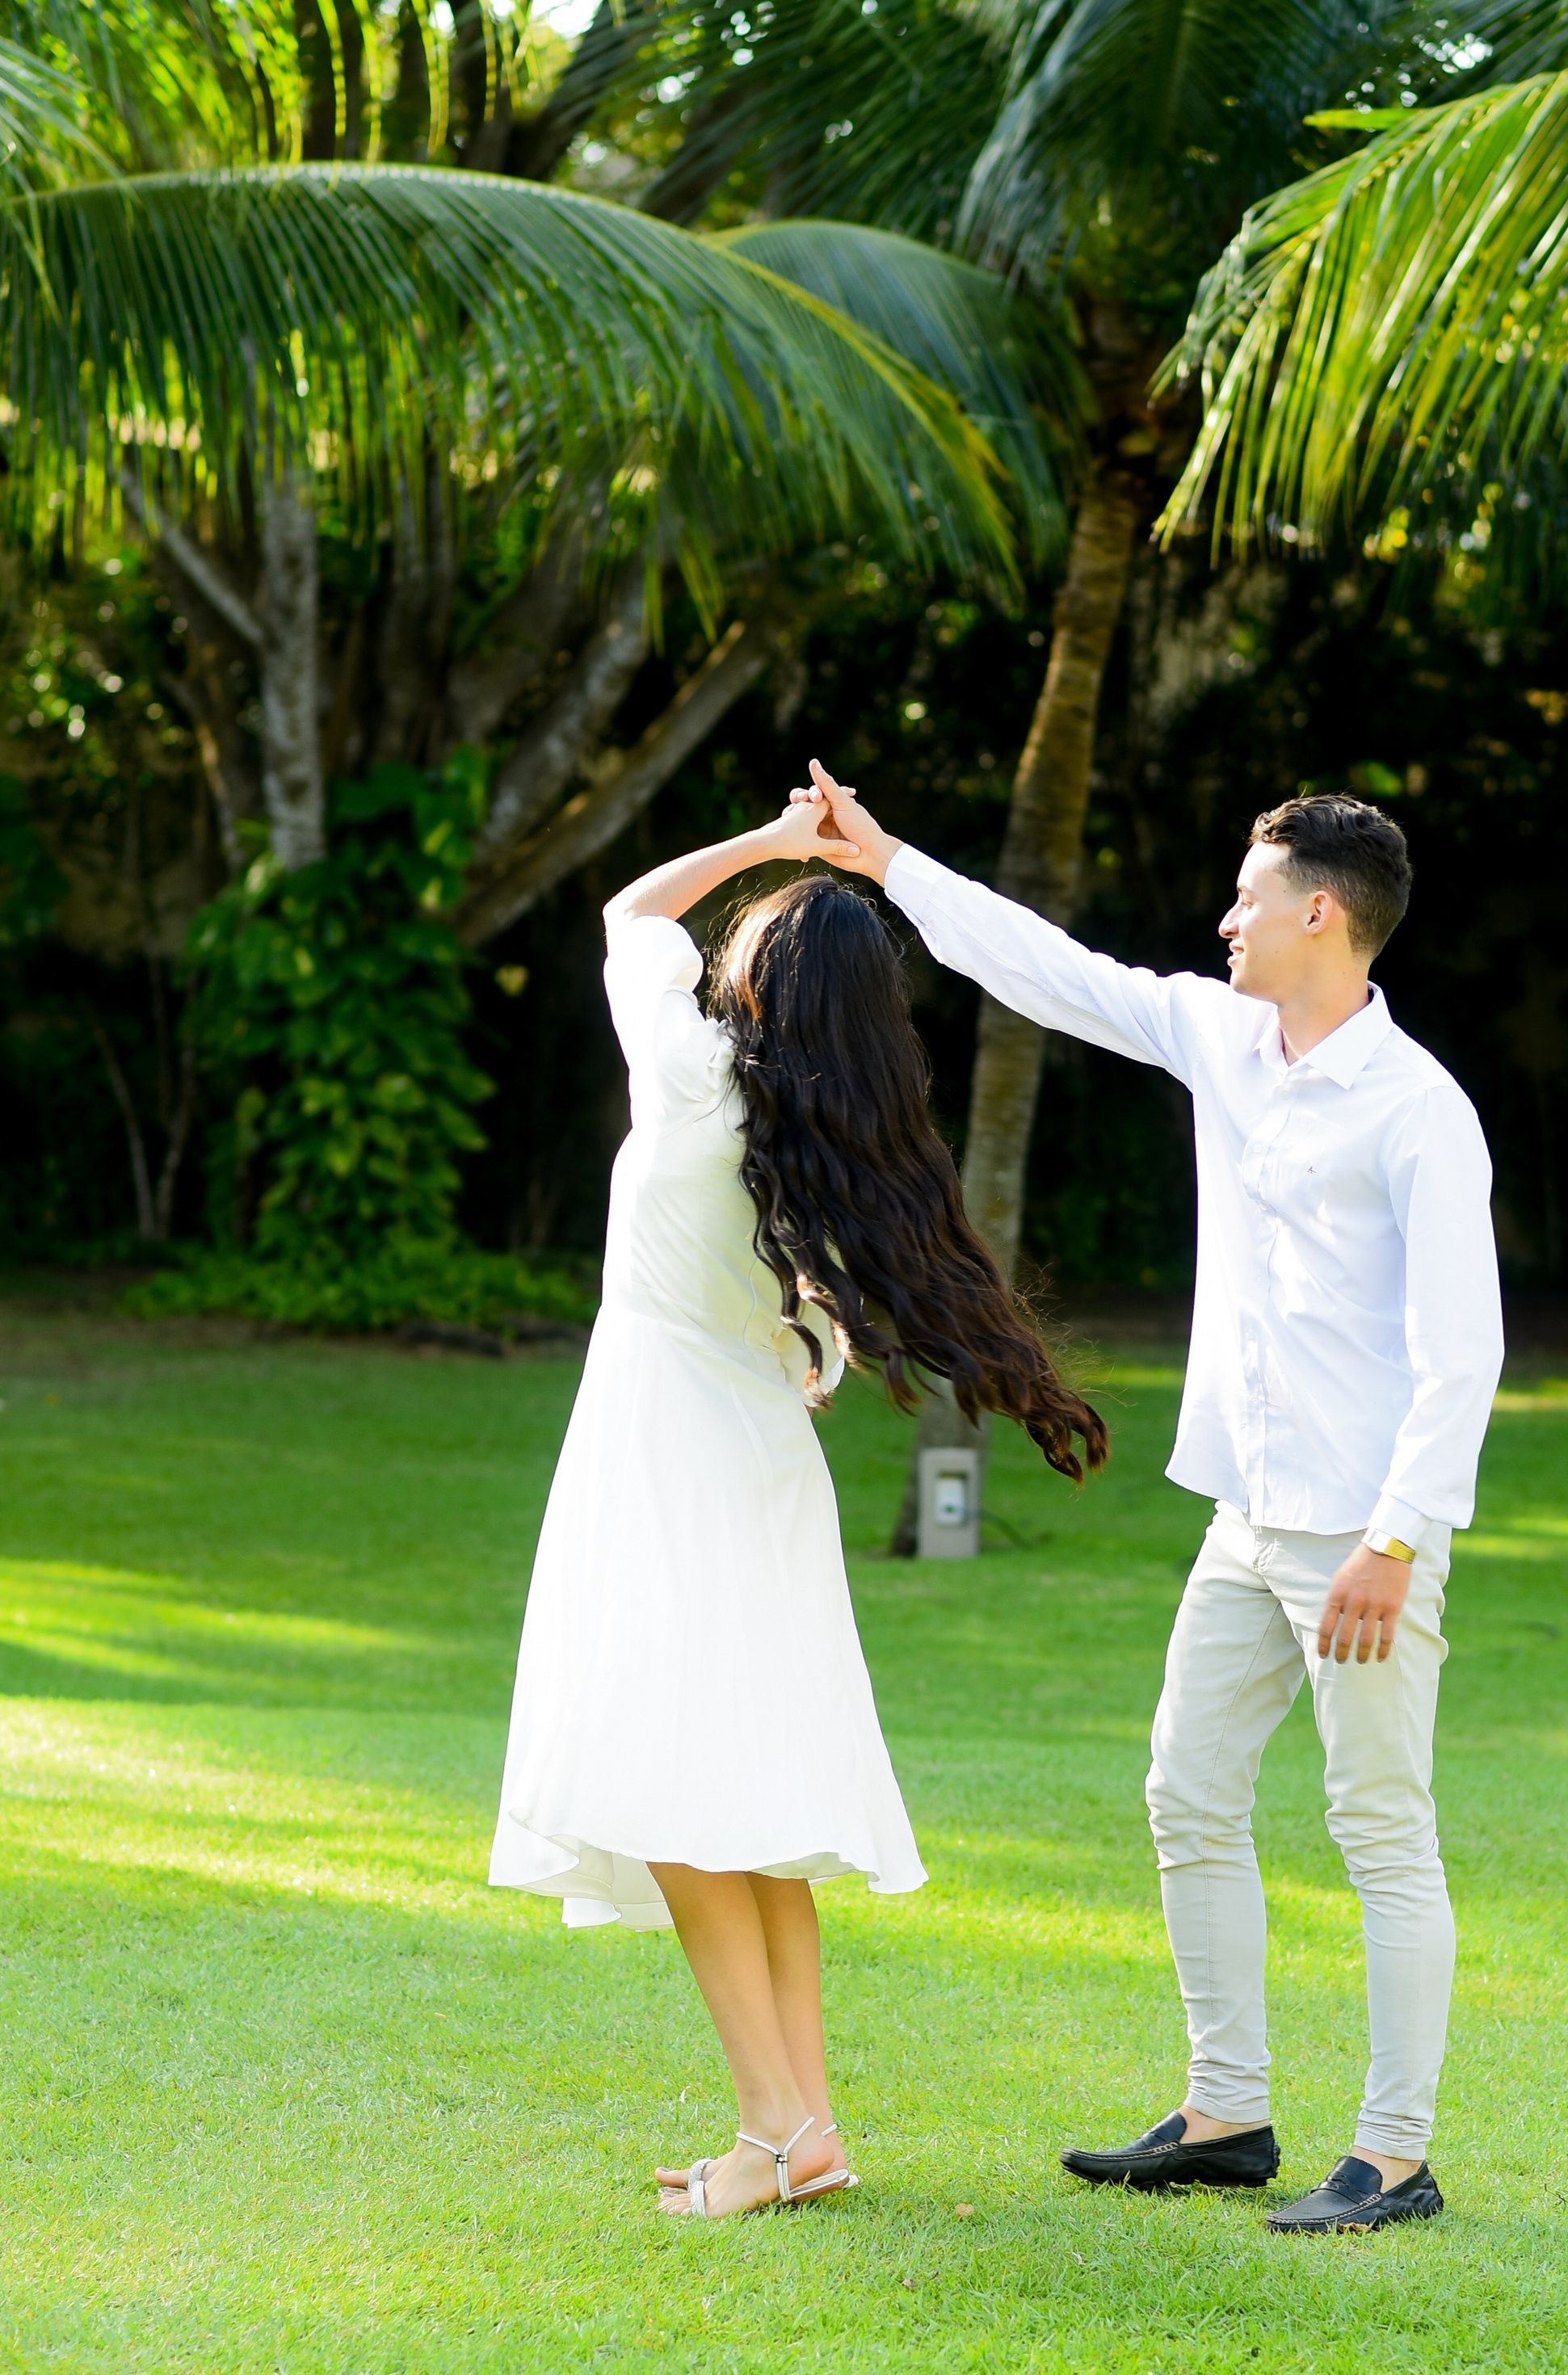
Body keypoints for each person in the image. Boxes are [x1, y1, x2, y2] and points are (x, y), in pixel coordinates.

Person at [807, 763, 1503, 2234]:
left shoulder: (1421, 1111)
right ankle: (1226, 2110)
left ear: (1322, 914)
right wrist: (889, 865)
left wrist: (1397, 1540)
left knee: (1380, 1826)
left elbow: (1465, 1356)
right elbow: (1057, 975)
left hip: (1358, 1534)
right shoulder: (1222, 1035)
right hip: (1243, 1517)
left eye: (1249, 899)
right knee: (1186, 1787)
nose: (1224, 921)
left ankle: (1394, 2153)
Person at [489, 790, 1107, 2222]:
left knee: (674, 1789)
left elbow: (631, 911)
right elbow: (816, 1325)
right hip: (757, 1468)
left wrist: (775, 846)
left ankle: (776, 2131)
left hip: (661, 1451)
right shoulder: (834, 1149)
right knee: (738, 1791)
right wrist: (812, 1342)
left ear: (758, 978)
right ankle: (802, 2124)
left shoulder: (698, 1077)